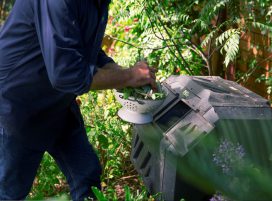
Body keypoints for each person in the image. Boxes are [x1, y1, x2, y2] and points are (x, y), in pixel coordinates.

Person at [0, 0, 157, 200]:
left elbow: (82, 49)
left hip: (57, 105)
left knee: (86, 175)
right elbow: (67, 74)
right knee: (10, 192)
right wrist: (129, 77)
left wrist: (122, 73)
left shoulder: (96, 3)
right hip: (17, 106)